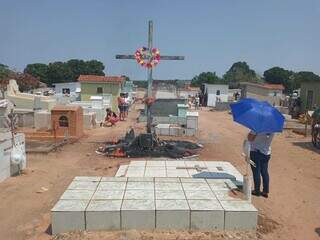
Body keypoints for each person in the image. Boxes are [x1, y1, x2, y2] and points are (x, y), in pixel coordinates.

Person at [248, 131, 274, 198]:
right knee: (264, 172)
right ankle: (265, 191)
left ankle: (257, 190)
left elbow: (250, 138)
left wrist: (250, 134)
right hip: (266, 153)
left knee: (256, 172)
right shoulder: (272, 129)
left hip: (255, 152)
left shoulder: (256, 127)